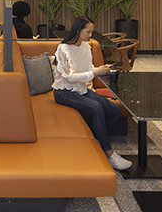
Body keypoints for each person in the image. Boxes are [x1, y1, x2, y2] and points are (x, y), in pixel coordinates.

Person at [52, 16, 132, 171]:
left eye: (91, 32)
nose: (90, 35)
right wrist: (95, 72)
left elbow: (89, 68)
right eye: (88, 32)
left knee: (114, 110)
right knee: (97, 108)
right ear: (78, 30)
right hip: (63, 92)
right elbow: (70, 77)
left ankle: (94, 140)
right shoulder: (63, 48)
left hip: (81, 89)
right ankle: (108, 153)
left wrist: (99, 69)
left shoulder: (86, 47)